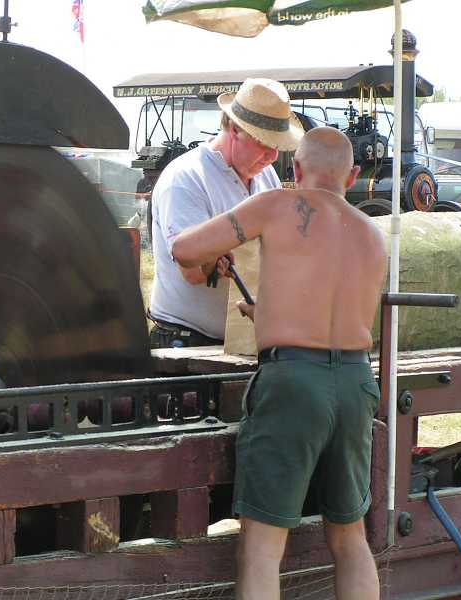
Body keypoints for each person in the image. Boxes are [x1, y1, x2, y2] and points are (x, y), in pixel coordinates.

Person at [171, 126, 387, 600]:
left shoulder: (277, 205)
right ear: (352, 176)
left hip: (292, 382)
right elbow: (326, 310)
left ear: (294, 169)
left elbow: (183, 249)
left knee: (263, 546)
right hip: (353, 383)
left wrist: (217, 248)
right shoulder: (373, 236)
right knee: (350, 537)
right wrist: (267, 309)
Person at [147, 78, 304, 349]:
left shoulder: (266, 176)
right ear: (234, 128)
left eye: (276, 145)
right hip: (186, 340)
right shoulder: (186, 178)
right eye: (263, 142)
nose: (272, 155)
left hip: (242, 339)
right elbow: (194, 271)